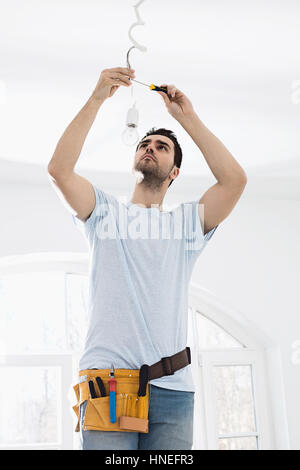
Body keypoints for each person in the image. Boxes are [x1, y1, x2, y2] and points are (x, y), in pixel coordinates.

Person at [47, 67, 247, 450]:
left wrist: (185, 118)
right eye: (145, 144)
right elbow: (59, 170)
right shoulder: (104, 213)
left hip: (173, 391)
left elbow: (234, 180)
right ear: (135, 161)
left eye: (161, 146)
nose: (150, 147)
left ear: (173, 172)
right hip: (107, 386)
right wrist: (96, 98)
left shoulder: (187, 224)